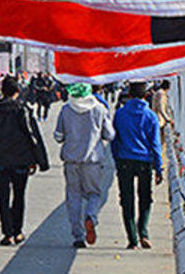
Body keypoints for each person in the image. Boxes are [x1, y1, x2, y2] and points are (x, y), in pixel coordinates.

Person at [0, 76, 49, 246]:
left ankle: (7, 233)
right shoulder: (22, 109)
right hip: (20, 161)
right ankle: (17, 232)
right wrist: (40, 160)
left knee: (3, 198)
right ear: (18, 91)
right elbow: (33, 136)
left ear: (2, 91)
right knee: (19, 196)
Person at [54, 83, 115, 248]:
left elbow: (58, 136)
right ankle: (91, 217)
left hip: (71, 161)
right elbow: (109, 135)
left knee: (74, 196)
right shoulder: (99, 109)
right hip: (92, 161)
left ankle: (78, 236)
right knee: (94, 193)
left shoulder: (66, 110)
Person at [112, 82, 163, 249]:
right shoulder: (150, 116)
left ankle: (132, 238)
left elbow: (114, 140)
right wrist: (159, 167)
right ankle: (144, 232)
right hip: (144, 161)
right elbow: (155, 144)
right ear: (146, 95)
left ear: (130, 95)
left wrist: (116, 159)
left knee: (126, 199)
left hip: (125, 160)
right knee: (145, 198)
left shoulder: (120, 114)